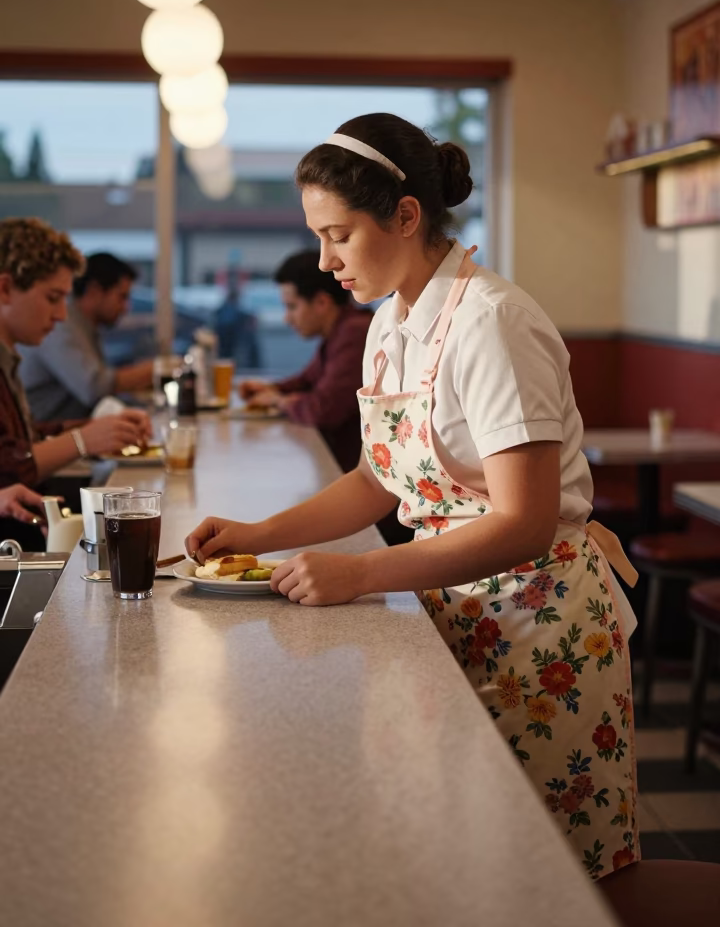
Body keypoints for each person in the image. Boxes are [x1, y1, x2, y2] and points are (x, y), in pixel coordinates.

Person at [187, 113, 639, 880]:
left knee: (540, 876)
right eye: (318, 236)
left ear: (405, 216)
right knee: (452, 853)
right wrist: (255, 535)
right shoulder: (390, 321)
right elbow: (376, 479)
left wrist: (359, 573)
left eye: (339, 235)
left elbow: (525, 523)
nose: (325, 261)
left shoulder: (492, 322)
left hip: (539, 628)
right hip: (450, 609)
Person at [239, 251, 414, 543]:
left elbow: (323, 409)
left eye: (292, 306)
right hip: (356, 484)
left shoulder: (355, 333)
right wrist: (273, 390)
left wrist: (278, 400)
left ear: (321, 302)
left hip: (374, 501)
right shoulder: (341, 331)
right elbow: (307, 380)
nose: (287, 318)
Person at [0, 219, 151, 499]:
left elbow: (25, 439)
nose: (61, 316)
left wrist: (97, 430)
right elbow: (8, 468)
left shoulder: (9, 357)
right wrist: (83, 441)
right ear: (5, 290)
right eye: (52, 298)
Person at [20, 252, 154, 422]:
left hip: (62, 433)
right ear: (94, 291)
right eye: (122, 297)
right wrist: (158, 369)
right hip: (45, 438)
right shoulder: (60, 327)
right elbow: (93, 388)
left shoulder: (85, 327)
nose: (126, 308)